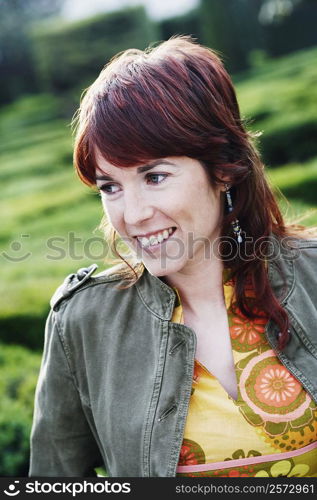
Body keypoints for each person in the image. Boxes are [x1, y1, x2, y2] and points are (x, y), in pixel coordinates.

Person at [29, 36, 317, 478]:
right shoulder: (84, 323)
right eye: (110, 187)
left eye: (156, 176)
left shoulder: (312, 273)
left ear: (222, 169)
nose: (133, 214)